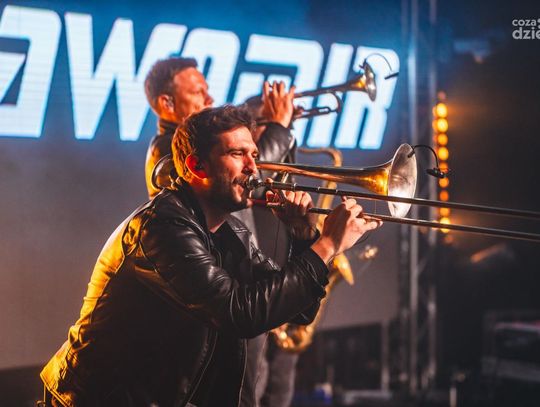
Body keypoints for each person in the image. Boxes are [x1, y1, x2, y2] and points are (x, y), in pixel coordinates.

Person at [39, 105, 381, 406]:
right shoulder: (161, 227)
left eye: (254, 154)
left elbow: (298, 311)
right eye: (238, 154)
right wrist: (327, 245)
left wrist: (304, 237)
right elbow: (237, 312)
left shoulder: (230, 231)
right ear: (197, 167)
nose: (254, 168)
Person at [143, 56, 298, 406]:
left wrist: (268, 131)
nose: (209, 99)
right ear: (167, 103)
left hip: (238, 280)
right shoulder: (166, 151)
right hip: (220, 296)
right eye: (198, 92)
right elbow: (249, 181)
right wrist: (278, 128)